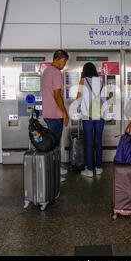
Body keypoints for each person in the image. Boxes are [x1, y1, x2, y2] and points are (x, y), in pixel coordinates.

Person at [41, 49, 70, 182]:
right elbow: (57, 95)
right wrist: (64, 113)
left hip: (47, 113)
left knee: (52, 144)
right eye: (64, 62)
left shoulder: (46, 71)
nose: (64, 65)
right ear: (60, 59)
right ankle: (54, 172)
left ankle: (56, 168)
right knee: (54, 145)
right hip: (55, 114)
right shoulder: (56, 72)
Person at [76, 63, 107, 178]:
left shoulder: (83, 81)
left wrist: (79, 108)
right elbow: (104, 99)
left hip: (87, 116)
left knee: (89, 143)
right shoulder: (100, 81)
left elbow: (78, 98)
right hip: (99, 115)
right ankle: (98, 168)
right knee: (98, 142)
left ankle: (89, 169)